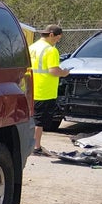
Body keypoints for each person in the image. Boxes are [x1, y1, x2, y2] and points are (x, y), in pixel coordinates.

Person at [29, 24, 70, 155]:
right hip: (44, 91)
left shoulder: (32, 47)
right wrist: (64, 73)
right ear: (51, 35)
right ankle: (36, 147)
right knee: (39, 121)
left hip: (31, 88)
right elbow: (53, 71)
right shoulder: (51, 50)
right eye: (58, 38)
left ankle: (30, 145)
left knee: (31, 118)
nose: (58, 41)